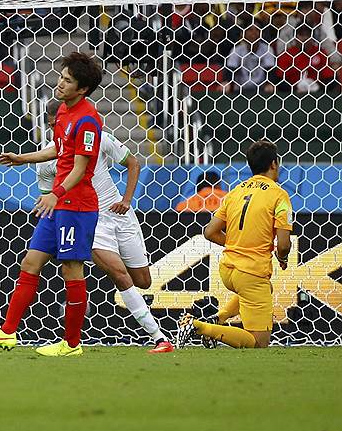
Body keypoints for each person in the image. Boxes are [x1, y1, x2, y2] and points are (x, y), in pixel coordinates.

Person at [0, 52, 104, 357]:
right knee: (30, 262)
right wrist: (23, 158)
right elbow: (59, 149)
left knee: (71, 269)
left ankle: (71, 345)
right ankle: (7, 332)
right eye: (61, 77)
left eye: (67, 80)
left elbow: (81, 168)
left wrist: (56, 192)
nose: (60, 83)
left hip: (76, 206)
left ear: (82, 89)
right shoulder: (64, 111)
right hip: (57, 203)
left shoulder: (88, 120)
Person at [35, 101, 173, 353]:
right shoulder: (45, 161)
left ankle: (140, 315)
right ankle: (160, 338)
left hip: (120, 215)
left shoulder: (99, 139)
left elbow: (133, 163)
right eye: (55, 124)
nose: (60, 128)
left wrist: (127, 200)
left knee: (142, 281)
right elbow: (48, 202)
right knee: (120, 275)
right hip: (89, 219)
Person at [176, 140, 292, 349]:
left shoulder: (236, 192)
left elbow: (209, 232)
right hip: (251, 273)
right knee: (259, 342)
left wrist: (238, 243)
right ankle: (198, 327)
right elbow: (283, 244)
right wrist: (282, 257)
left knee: (265, 288)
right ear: (274, 164)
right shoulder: (279, 195)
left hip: (228, 269)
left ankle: (219, 318)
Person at [224, 24, 275, 93]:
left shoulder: (267, 49)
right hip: (240, 90)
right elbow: (231, 68)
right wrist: (227, 82)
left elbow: (270, 69)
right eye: (250, 30)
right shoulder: (237, 50)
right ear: (243, 33)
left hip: (261, 90)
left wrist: (269, 83)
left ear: (262, 34)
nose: (254, 33)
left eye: (257, 30)